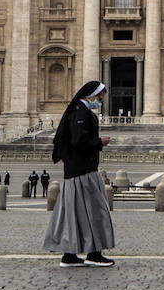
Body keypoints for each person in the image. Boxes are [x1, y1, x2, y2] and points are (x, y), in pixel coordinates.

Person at [44, 80, 116, 268]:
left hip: (76, 171)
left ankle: (69, 255)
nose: (101, 100)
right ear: (91, 95)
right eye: (100, 96)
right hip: (83, 171)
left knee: (73, 213)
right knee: (96, 211)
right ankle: (94, 253)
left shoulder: (77, 110)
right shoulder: (81, 112)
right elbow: (79, 141)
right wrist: (100, 142)